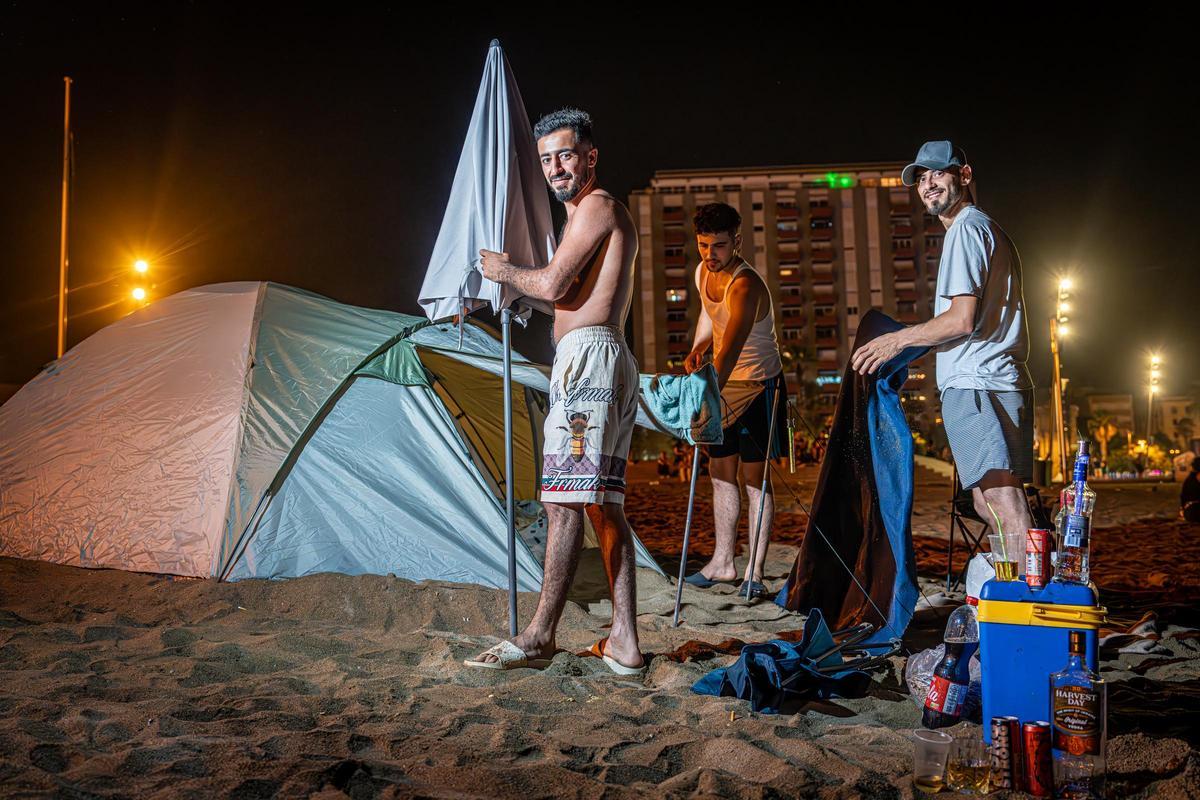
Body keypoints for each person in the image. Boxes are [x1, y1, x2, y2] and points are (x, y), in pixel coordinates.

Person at [464, 108, 644, 674]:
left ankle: (540, 635)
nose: (555, 168)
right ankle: (624, 642)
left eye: (565, 155)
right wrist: (522, 294)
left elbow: (551, 282)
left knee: (562, 502)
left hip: (590, 362)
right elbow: (563, 299)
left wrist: (506, 272)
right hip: (599, 356)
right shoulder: (587, 215)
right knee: (602, 505)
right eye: (546, 159)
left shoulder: (597, 206)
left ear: (591, 156)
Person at [852, 141, 1034, 541]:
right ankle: (1021, 588)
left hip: (977, 382)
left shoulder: (966, 230)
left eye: (938, 173)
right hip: (997, 377)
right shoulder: (984, 227)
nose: (928, 184)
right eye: (921, 178)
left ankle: (1035, 595)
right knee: (993, 499)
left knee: (1000, 499)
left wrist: (897, 342)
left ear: (964, 176)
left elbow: (960, 319)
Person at [682, 202, 787, 599]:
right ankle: (723, 563)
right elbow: (711, 314)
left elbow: (731, 351)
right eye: (704, 245)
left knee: (755, 480)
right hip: (723, 385)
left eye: (720, 246)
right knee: (720, 472)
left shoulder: (745, 285)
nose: (710, 254)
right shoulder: (702, 271)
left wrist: (701, 391)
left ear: (737, 242)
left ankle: (754, 573)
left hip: (759, 385)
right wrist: (698, 346)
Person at [1182, 456, 1200, 523]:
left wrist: (1183, 508)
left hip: (1190, 512)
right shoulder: (1190, 480)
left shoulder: (1189, 480)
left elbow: (1183, 496)